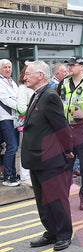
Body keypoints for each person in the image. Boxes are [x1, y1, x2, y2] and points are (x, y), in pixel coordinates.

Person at [23, 61, 74, 251]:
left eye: (28, 74)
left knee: (55, 198)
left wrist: (68, 149)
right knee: (42, 200)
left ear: (40, 76)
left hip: (50, 158)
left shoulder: (50, 96)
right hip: (36, 158)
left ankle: (63, 234)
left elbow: (62, 127)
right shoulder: (37, 95)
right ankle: (51, 231)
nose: (25, 77)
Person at [57, 55, 83, 210]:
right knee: (64, 166)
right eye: (69, 65)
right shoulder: (63, 83)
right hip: (66, 130)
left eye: (73, 65)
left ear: (82, 67)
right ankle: (62, 196)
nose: (70, 67)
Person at [0, 59, 20, 187]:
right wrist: (20, 106)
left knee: (15, 147)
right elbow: (5, 99)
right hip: (5, 118)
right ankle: (7, 176)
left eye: (9, 67)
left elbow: (17, 97)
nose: (8, 69)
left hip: (14, 119)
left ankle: (13, 173)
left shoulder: (12, 82)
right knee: (11, 147)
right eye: (5, 67)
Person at [16, 65, 34, 185]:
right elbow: (21, 107)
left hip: (33, 122)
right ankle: (25, 176)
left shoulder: (30, 88)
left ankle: (29, 174)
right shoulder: (23, 88)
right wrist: (35, 111)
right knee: (26, 149)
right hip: (27, 122)